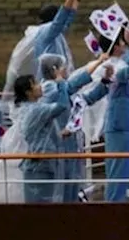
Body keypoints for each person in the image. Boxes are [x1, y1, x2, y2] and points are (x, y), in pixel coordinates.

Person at [39, 53, 110, 202]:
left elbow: (85, 99)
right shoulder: (49, 89)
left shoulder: (62, 88)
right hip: (59, 146)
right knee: (63, 186)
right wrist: (98, 63)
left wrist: (105, 82)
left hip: (70, 148)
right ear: (54, 70)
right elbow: (73, 86)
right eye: (63, 67)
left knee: (72, 183)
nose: (66, 70)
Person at [4, 0, 83, 103]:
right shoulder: (46, 32)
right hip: (50, 85)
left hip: (58, 81)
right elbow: (61, 18)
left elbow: (67, 20)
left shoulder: (55, 33)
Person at [98, 23, 129, 201]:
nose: (124, 44)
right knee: (118, 171)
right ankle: (113, 205)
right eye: (121, 41)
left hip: (125, 123)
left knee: (123, 169)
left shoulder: (117, 64)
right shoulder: (112, 66)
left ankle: (118, 204)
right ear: (115, 46)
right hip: (119, 124)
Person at [9, 74, 71, 203]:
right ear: (28, 92)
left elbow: (38, 133)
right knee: (40, 207)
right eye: (35, 84)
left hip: (38, 163)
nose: (40, 86)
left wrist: (59, 135)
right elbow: (62, 105)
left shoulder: (26, 109)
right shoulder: (36, 110)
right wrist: (61, 84)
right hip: (40, 164)